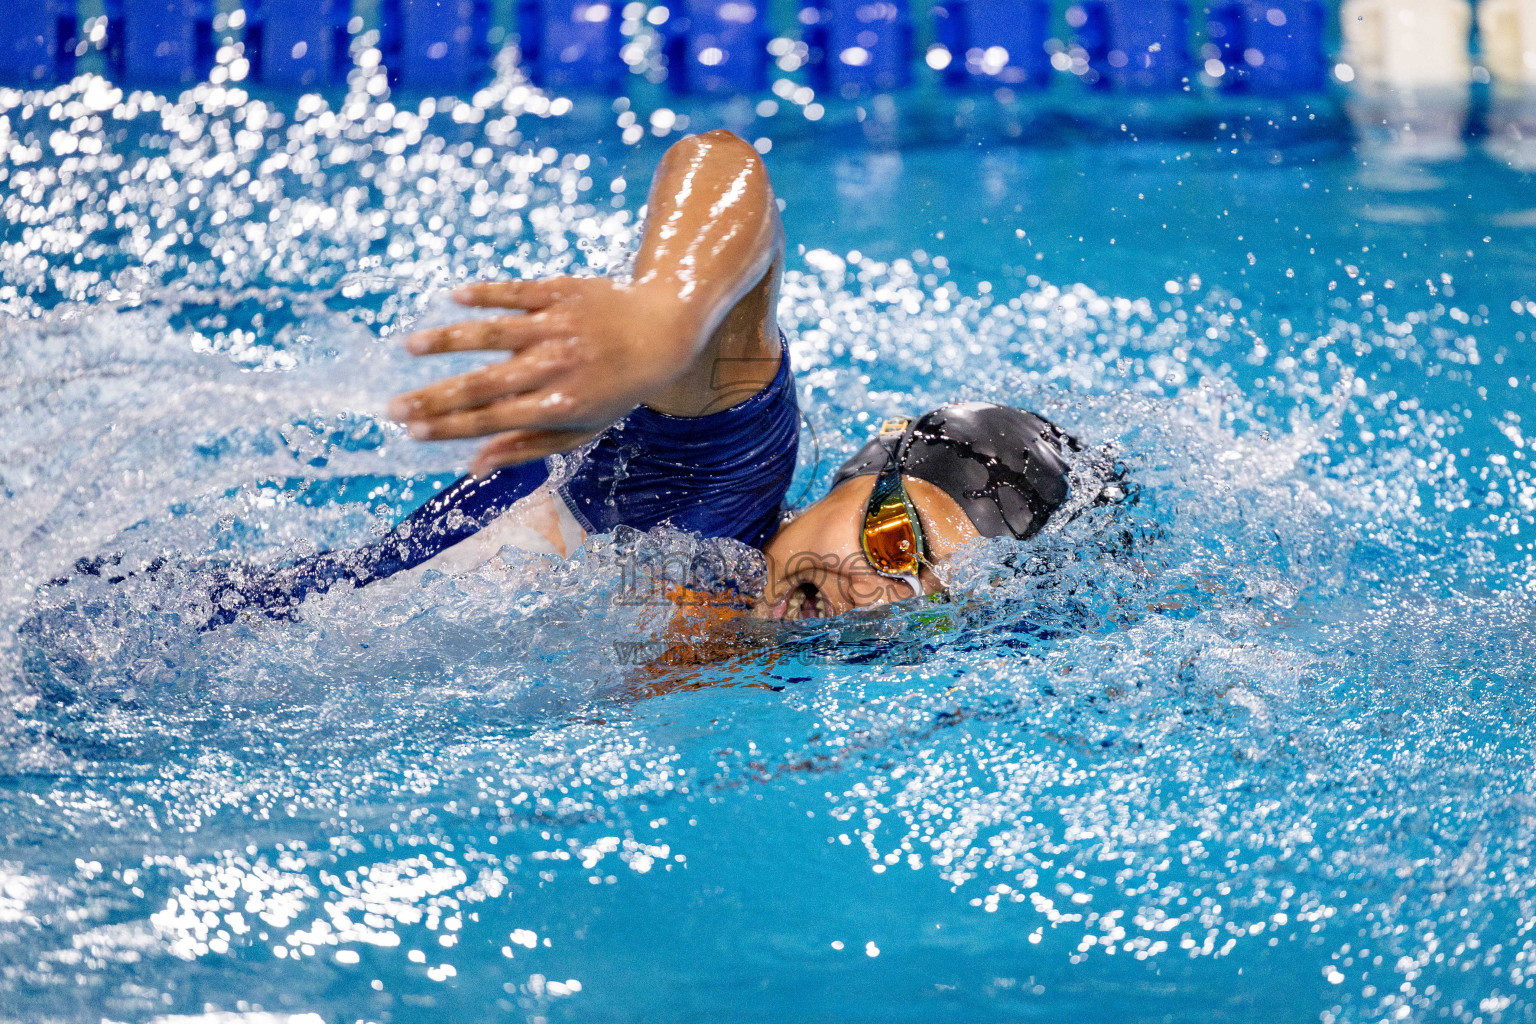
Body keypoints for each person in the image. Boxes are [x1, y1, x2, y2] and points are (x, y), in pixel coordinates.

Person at [56, 129, 1116, 629]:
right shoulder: (712, 494)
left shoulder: (741, 651)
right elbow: (730, 175)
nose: (877, 598)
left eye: (925, 602)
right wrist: (660, 325)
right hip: (121, 640)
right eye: (897, 544)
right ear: (858, 479)